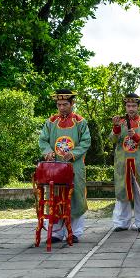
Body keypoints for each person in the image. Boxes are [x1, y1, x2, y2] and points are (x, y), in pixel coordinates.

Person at [39, 89, 91, 243]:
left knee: (76, 197)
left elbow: (86, 141)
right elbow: (43, 140)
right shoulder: (51, 121)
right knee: (55, 196)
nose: (61, 108)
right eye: (59, 104)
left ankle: (74, 232)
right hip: (55, 168)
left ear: (72, 103)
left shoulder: (80, 122)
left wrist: (73, 153)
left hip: (74, 166)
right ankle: (56, 232)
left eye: (65, 104)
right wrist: (47, 151)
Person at [110, 93, 140, 232]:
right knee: (123, 193)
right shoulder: (120, 122)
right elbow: (112, 140)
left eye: (134, 106)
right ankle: (121, 222)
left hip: (139, 163)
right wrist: (116, 128)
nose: (131, 109)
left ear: (138, 107)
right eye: (128, 106)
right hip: (123, 164)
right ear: (125, 107)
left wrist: (135, 136)